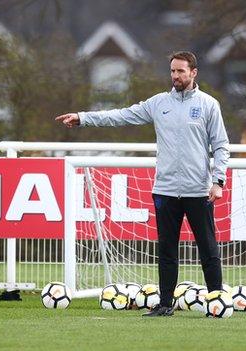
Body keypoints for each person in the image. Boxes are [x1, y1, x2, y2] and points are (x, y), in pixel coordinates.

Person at [55, 51, 230, 317]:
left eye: (181, 71)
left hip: (198, 190)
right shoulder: (159, 103)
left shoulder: (208, 105)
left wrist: (217, 181)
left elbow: (220, 145)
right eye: (172, 71)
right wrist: (83, 117)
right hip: (165, 190)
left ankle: (217, 303)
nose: (175, 76)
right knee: (167, 251)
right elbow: (121, 115)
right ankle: (165, 305)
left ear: (194, 73)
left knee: (208, 248)